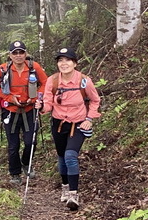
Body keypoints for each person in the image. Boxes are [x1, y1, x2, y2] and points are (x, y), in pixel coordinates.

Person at [38, 47, 101, 211]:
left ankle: (73, 194)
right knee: (61, 157)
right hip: (58, 123)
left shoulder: (84, 80)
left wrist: (89, 119)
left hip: (78, 124)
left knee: (70, 156)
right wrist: (41, 107)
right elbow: (48, 103)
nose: (64, 63)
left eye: (67, 60)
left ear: (75, 63)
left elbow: (95, 100)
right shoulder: (53, 81)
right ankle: (65, 186)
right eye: (60, 60)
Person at [0, 40, 47, 186]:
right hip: (11, 111)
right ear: (10, 55)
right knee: (13, 145)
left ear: (26, 53)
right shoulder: (3, 69)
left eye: (21, 52)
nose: (19, 55)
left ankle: (26, 163)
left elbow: (46, 83)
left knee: (30, 141)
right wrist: (9, 98)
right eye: (15, 53)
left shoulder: (34, 67)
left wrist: (35, 97)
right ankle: (15, 174)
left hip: (30, 110)